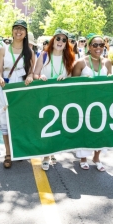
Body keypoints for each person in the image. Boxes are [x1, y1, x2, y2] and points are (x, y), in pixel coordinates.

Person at [34, 28, 75, 170]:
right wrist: (40, 77)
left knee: (57, 125)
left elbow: (72, 78)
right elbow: (35, 74)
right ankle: (46, 155)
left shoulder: (69, 57)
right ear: (53, 40)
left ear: (66, 43)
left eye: (64, 40)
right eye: (58, 38)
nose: (60, 42)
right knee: (47, 125)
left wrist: (66, 77)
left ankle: (51, 151)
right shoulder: (44, 55)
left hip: (60, 97)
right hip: (45, 97)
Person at [0, 19, 35, 168]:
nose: (19, 31)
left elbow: (31, 71)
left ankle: (19, 149)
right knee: (5, 118)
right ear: (12, 31)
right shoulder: (4, 49)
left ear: (25, 33)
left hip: (21, 87)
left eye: (22, 29)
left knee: (20, 118)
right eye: (16, 28)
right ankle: (8, 152)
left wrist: (30, 76)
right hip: (6, 85)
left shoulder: (29, 51)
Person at [72, 34, 112, 171]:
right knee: (85, 130)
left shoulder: (107, 62)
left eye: (101, 44)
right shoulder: (81, 62)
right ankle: (83, 158)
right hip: (84, 104)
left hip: (102, 103)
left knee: (100, 130)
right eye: (95, 45)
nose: (99, 47)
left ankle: (96, 157)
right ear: (89, 47)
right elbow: (73, 85)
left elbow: (111, 84)